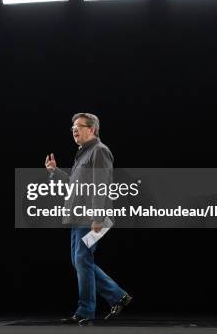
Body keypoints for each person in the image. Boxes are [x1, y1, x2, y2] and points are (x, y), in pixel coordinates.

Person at [45, 113, 131, 325]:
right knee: (80, 260)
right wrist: (55, 172)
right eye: (72, 127)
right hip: (78, 217)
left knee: (82, 259)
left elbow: (101, 186)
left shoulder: (100, 151)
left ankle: (85, 311)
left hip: (91, 217)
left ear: (92, 129)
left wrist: (98, 217)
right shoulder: (83, 154)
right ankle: (118, 296)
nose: (74, 129)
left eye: (79, 126)